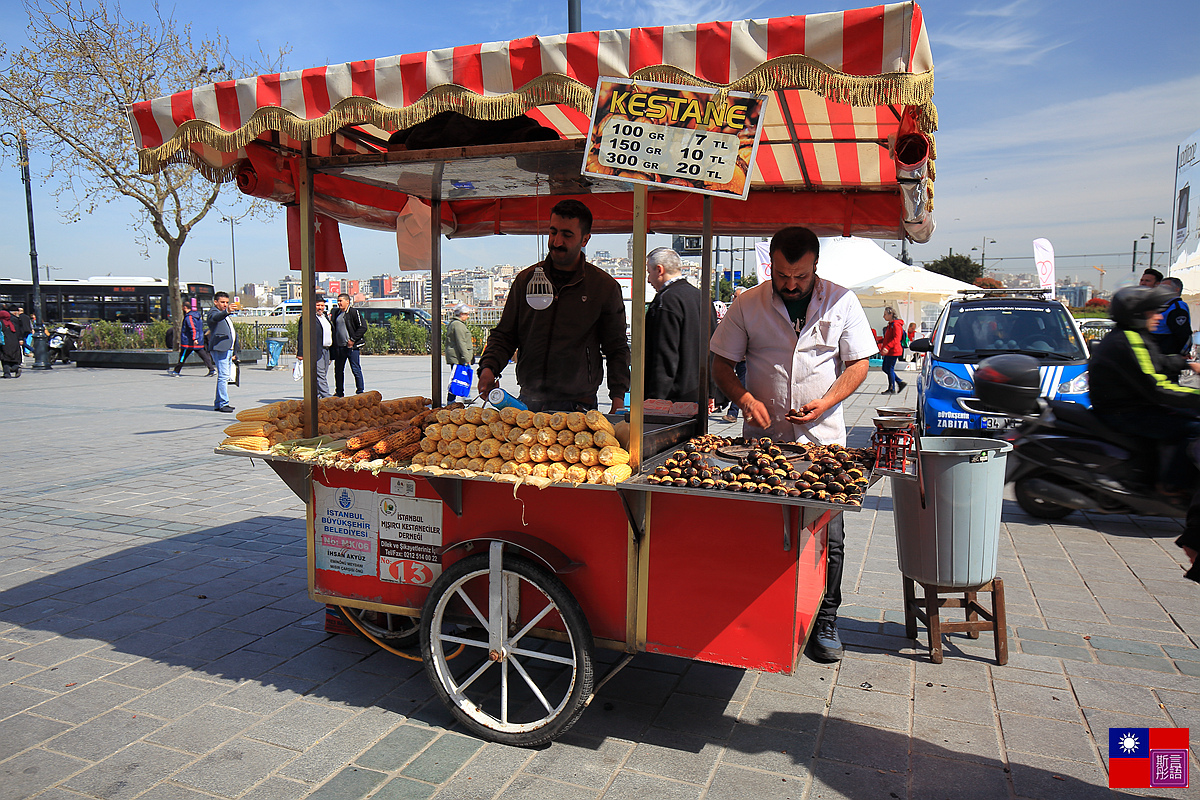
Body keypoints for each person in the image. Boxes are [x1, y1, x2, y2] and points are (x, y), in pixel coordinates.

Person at [710, 225, 877, 663]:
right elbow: (721, 363)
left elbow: (860, 363)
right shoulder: (748, 302)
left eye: (799, 276)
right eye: (782, 274)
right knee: (765, 532)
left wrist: (826, 402)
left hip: (823, 441)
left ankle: (826, 620)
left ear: (816, 266)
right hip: (764, 442)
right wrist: (744, 398)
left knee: (829, 537)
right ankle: (766, 615)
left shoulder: (842, 300)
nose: (790, 284)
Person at [477, 199, 630, 412]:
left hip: (580, 404)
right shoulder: (526, 281)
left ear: (585, 239)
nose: (556, 242)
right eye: (553, 232)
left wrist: (618, 400)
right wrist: (488, 368)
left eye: (567, 235)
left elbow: (617, 348)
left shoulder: (603, 287)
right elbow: (505, 334)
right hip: (529, 401)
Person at [1088, 285, 1200, 500]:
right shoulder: (1128, 341)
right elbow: (1158, 387)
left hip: (1131, 406)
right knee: (1194, 428)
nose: (1159, 317)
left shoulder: (1132, 335)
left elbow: (1155, 362)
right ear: (1137, 313)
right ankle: (1172, 485)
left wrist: (1187, 365)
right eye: (1153, 312)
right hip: (1125, 412)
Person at [644, 247, 715, 402]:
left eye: (649, 272)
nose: (648, 280)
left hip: (671, 398)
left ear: (659, 270)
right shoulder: (701, 298)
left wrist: (655, 398)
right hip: (698, 392)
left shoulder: (666, 301)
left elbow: (664, 355)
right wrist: (712, 391)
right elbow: (714, 346)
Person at [206, 292, 238, 412]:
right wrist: (227, 312)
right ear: (216, 302)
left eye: (226, 302)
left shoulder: (225, 315)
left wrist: (235, 350)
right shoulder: (213, 313)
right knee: (224, 376)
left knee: (224, 376)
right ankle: (223, 403)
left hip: (227, 348)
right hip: (220, 348)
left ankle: (219, 403)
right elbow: (215, 318)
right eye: (222, 302)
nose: (225, 305)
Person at [331, 293, 367, 396]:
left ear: (347, 301)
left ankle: (360, 391)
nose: (339, 303)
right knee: (338, 370)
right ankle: (339, 392)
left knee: (355, 369)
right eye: (338, 301)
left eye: (341, 301)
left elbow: (363, 327)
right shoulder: (337, 313)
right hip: (339, 347)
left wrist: (353, 339)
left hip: (351, 347)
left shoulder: (353, 312)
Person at [297, 297, 334, 399]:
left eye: (322, 305)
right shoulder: (307, 318)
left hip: (326, 350)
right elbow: (301, 335)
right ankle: (327, 396)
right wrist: (300, 353)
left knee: (322, 374)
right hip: (316, 350)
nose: (320, 308)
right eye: (318, 305)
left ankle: (316, 396)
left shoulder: (325, 317)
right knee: (320, 375)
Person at [170, 301, 215, 377]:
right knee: (204, 355)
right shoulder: (197, 316)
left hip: (189, 342)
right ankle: (211, 369)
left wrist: (195, 338)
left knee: (183, 356)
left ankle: (176, 371)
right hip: (198, 341)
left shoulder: (189, 317)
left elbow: (193, 328)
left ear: (184, 308)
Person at [1151, 277, 1192, 357]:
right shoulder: (1163, 305)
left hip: (1168, 358)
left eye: (1165, 287)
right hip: (1157, 356)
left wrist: (1182, 354)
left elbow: (1183, 334)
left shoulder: (1177, 307)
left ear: (1176, 290)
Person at [444, 303, 475, 404]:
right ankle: (451, 399)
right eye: (466, 314)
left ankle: (465, 396)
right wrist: (466, 357)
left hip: (457, 356)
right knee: (457, 378)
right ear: (461, 314)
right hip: (458, 356)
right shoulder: (458, 325)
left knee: (461, 377)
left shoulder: (456, 324)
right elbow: (461, 342)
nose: (468, 316)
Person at [878, 307, 907, 394]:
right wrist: (880, 341)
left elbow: (896, 339)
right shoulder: (890, 325)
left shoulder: (896, 325)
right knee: (885, 368)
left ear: (891, 314)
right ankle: (899, 382)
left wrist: (887, 347)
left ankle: (892, 388)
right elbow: (888, 338)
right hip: (890, 350)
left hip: (894, 350)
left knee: (889, 368)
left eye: (885, 314)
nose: (884, 316)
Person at [0, 309, 21, 378]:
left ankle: (7, 373)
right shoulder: (12, 323)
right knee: (13, 357)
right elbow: (18, 332)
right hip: (14, 343)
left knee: (4, 358)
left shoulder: (1, 323)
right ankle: (16, 367)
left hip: (5, 343)